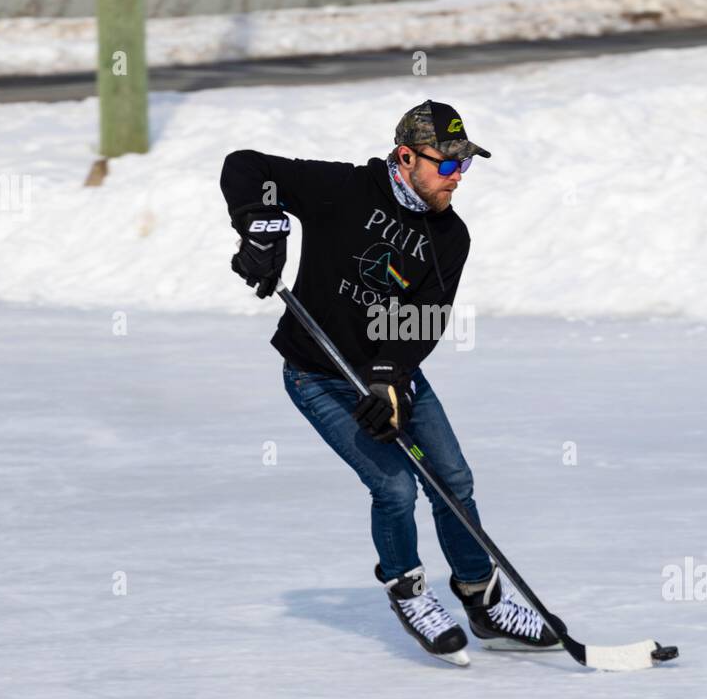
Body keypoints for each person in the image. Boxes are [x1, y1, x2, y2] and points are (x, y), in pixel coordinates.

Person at [220, 99, 559, 665]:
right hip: (318, 376)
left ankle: (483, 600)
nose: (456, 177)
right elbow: (245, 164)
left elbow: (425, 318)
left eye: (464, 165)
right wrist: (262, 228)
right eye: (445, 164)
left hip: (392, 373)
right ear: (405, 157)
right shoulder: (343, 189)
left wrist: (388, 378)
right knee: (395, 487)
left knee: (452, 478)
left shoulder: (450, 237)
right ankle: (408, 590)